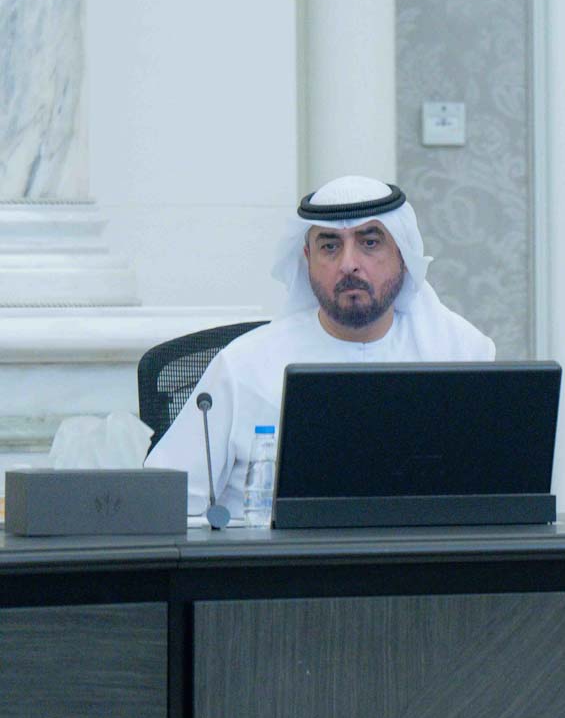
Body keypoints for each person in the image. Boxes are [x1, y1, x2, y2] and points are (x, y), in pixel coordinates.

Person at [147, 176, 495, 515]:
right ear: (307, 257)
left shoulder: (461, 353)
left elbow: (494, 494)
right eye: (330, 246)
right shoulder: (244, 365)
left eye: (370, 242)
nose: (349, 264)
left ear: (402, 254)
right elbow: (160, 503)